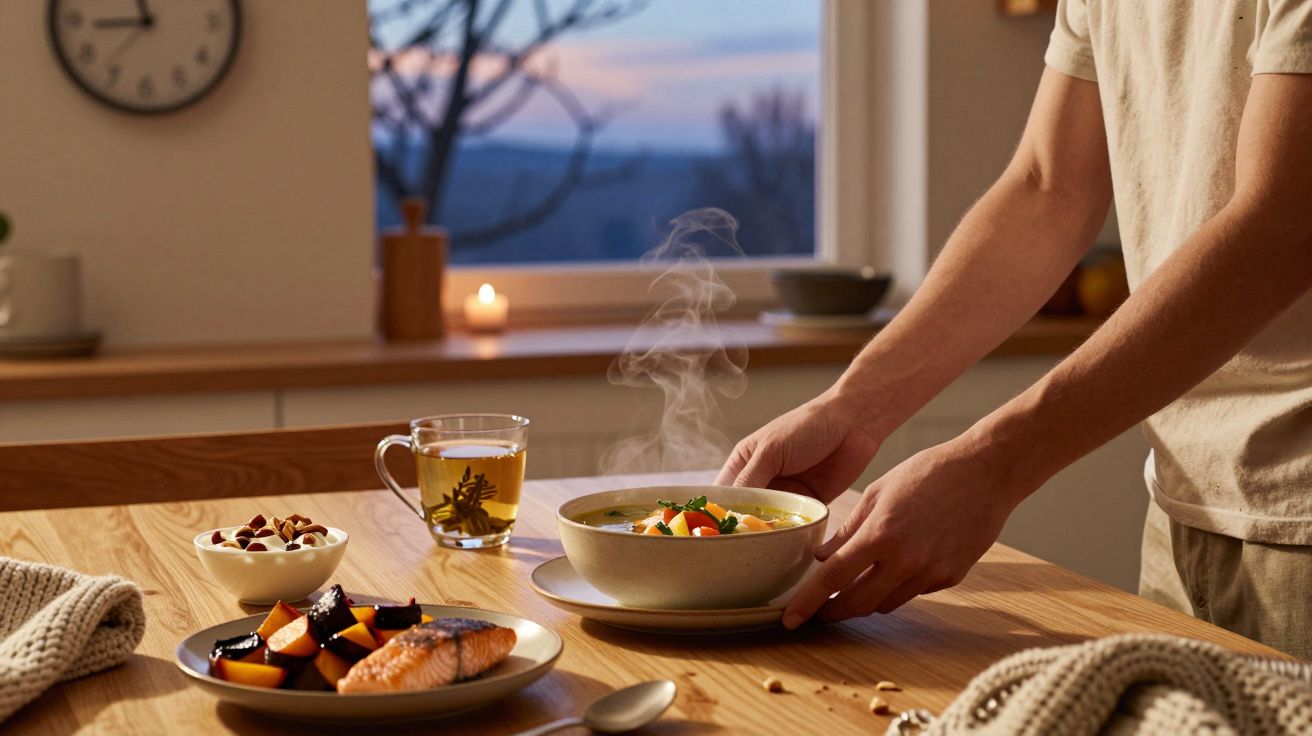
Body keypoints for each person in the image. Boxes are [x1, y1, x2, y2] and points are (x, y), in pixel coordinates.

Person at [718, 0, 1312, 658]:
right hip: (1181, 501)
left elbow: (1282, 224)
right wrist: (854, 407)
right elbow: (1046, 188)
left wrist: (990, 467)